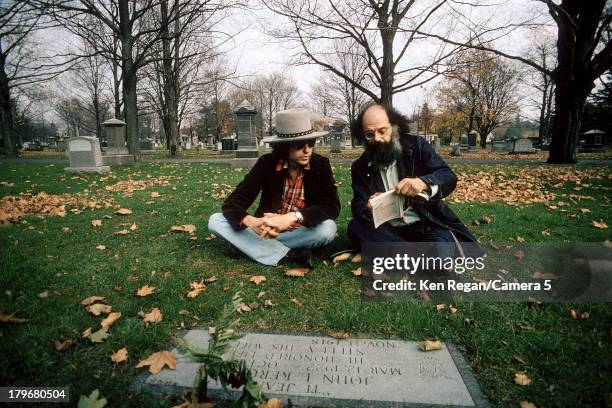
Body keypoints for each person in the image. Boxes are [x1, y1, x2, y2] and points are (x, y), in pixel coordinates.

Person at [208, 108, 340, 268]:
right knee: (215, 221)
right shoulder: (267, 163)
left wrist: (293, 217)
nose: (307, 150)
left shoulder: (320, 165)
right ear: (284, 146)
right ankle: (289, 254)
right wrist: (252, 221)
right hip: (266, 229)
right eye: (299, 146)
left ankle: (248, 246)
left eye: (311, 143)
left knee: (328, 229)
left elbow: (332, 206)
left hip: (301, 230)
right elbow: (233, 203)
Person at [347, 103, 480, 262]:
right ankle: (418, 257)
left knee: (441, 244)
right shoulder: (359, 167)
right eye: (369, 134)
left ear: (394, 127)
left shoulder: (417, 146)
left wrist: (423, 182)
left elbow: (448, 177)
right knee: (355, 228)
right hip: (388, 229)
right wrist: (369, 208)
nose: (377, 139)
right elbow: (358, 205)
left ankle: (387, 253)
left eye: (382, 131)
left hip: (425, 224)